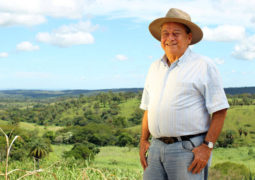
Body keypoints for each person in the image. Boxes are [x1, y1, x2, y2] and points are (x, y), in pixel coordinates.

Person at [139, 8, 229, 180]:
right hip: (156, 149)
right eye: (165, 33)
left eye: (176, 33)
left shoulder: (203, 65)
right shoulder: (154, 68)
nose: (170, 38)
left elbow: (220, 110)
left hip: (187, 150)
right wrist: (143, 140)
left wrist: (207, 146)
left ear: (189, 38)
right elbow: (148, 108)